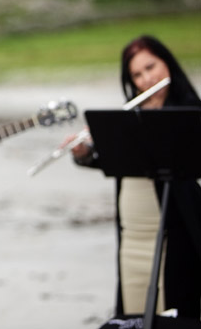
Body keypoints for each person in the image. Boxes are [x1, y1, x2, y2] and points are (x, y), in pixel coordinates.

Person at [68, 35, 201, 319]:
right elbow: (118, 162)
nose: (146, 79)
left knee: (174, 311)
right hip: (132, 233)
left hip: (172, 232)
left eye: (150, 67)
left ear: (168, 63)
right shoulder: (131, 113)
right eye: (137, 75)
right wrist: (85, 152)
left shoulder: (190, 110)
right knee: (133, 315)